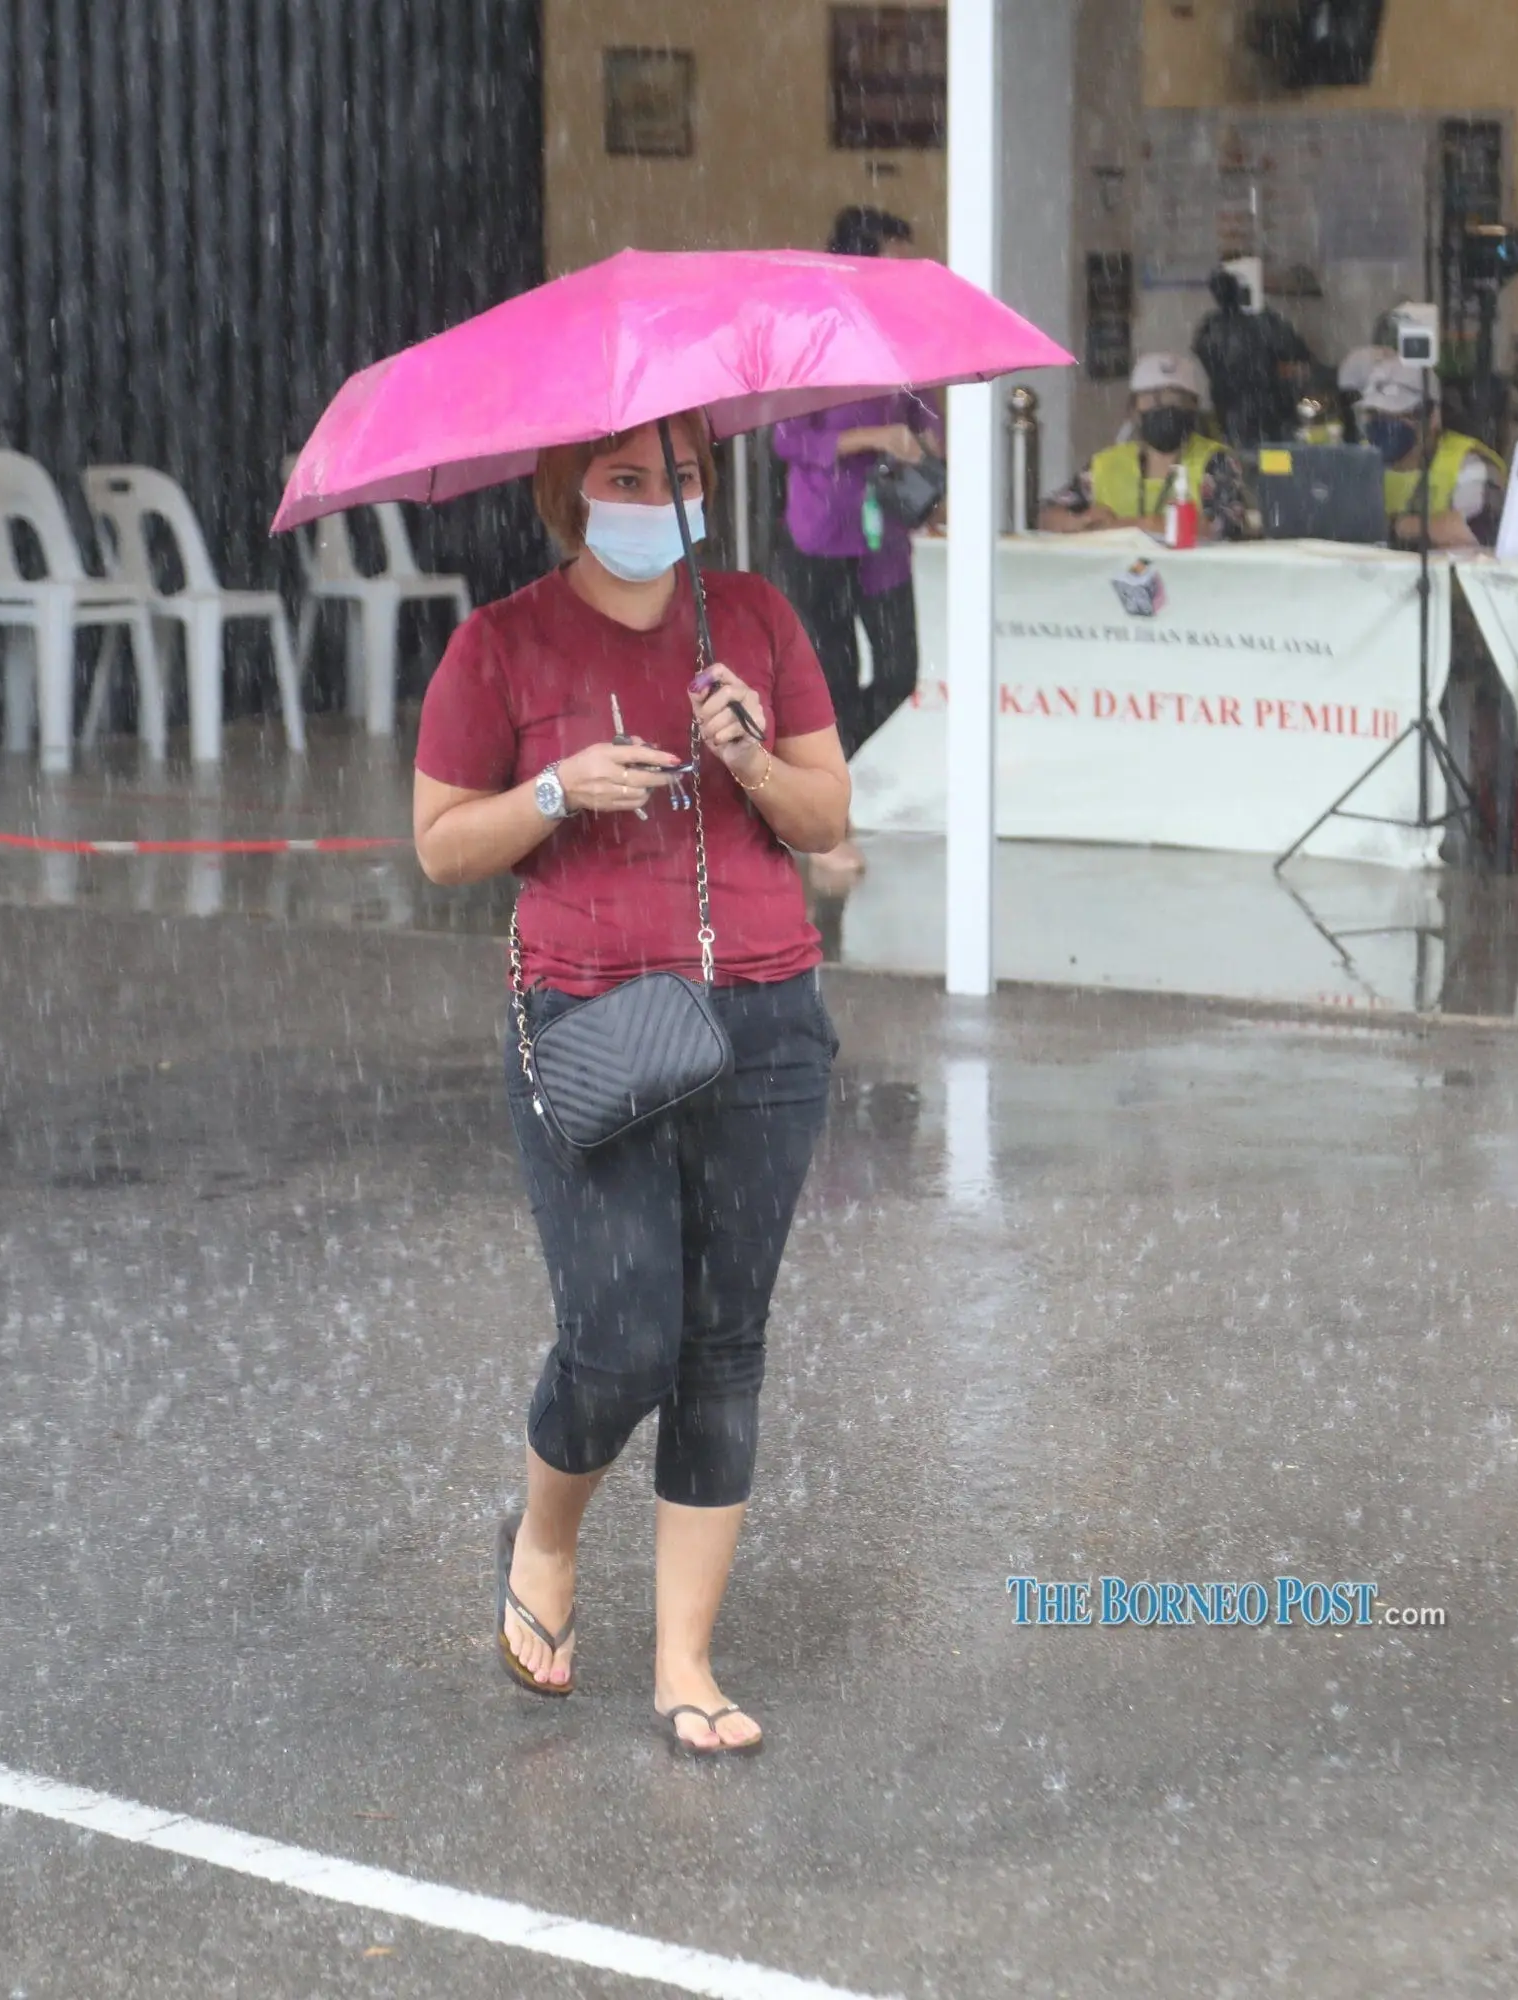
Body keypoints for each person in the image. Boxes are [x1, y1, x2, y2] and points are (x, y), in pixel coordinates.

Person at [410, 411, 850, 1755]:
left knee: (722, 1349)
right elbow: (439, 845)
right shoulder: (501, 641)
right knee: (623, 1335)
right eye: (627, 479)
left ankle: (685, 1662)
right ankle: (544, 1541)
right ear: (568, 494)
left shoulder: (758, 619)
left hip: (765, 1017)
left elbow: (829, 821)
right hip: (594, 1022)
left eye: (684, 475)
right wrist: (556, 790)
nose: (662, 498)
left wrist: (751, 759)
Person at [770, 205, 935, 887]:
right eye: (891, 263)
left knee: (899, 669)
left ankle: (808, 781)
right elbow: (787, 440)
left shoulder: (903, 339)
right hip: (822, 531)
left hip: (885, 530)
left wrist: (930, 453)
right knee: (831, 677)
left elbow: (923, 413)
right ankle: (824, 815)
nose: (900, 278)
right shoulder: (810, 339)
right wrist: (871, 440)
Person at [1036, 352, 1252, 541]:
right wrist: (1081, 521)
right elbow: (1046, 516)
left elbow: (1228, 526)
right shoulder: (1105, 464)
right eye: (1153, 399)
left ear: (1194, 407)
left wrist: (1125, 526)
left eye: (1177, 399)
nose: (1166, 407)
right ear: (1133, 409)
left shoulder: (1216, 461)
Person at [1354, 356, 1506, 551]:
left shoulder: (1471, 461)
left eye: (1400, 414)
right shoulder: (1358, 460)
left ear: (1433, 417)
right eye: (1376, 414)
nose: (1385, 424)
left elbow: (1479, 530)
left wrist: (1395, 526)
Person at [1191, 265, 1314, 449]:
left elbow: (1206, 358)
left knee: (1247, 459)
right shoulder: (1263, 322)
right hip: (1266, 407)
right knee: (1278, 461)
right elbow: (1299, 352)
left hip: (1233, 409)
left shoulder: (1210, 327)